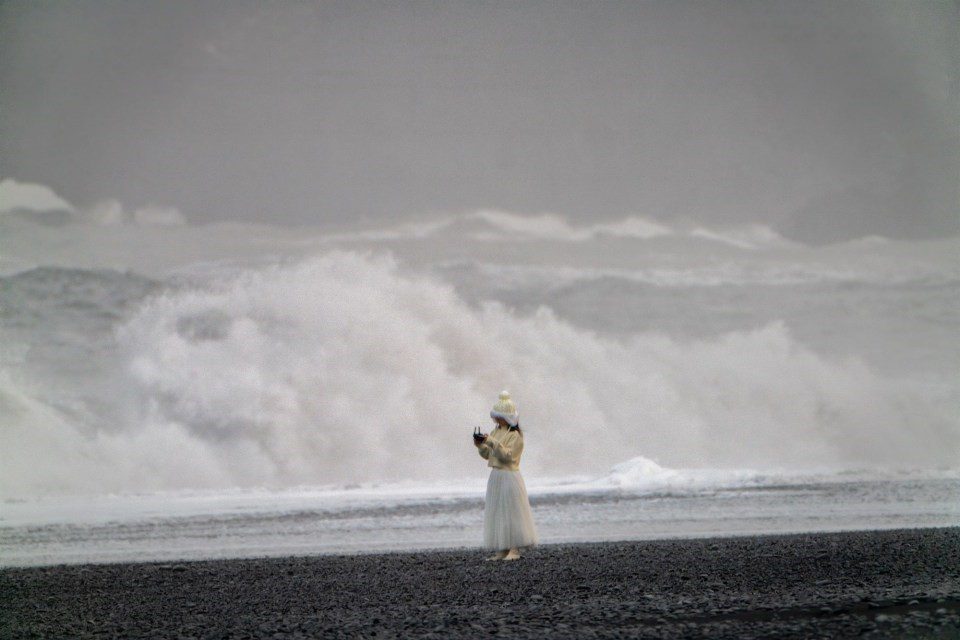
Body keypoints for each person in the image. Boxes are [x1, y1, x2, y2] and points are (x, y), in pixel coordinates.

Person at [473, 390, 538, 561]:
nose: (495, 420)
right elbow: (489, 455)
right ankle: (502, 549)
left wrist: (491, 442)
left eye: (498, 416)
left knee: (511, 511)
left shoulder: (515, 436)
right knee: (497, 511)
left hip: (509, 476)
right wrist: (481, 445)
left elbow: (508, 457)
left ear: (506, 417)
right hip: (496, 476)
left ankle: (514, 549)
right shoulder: (496, 432)